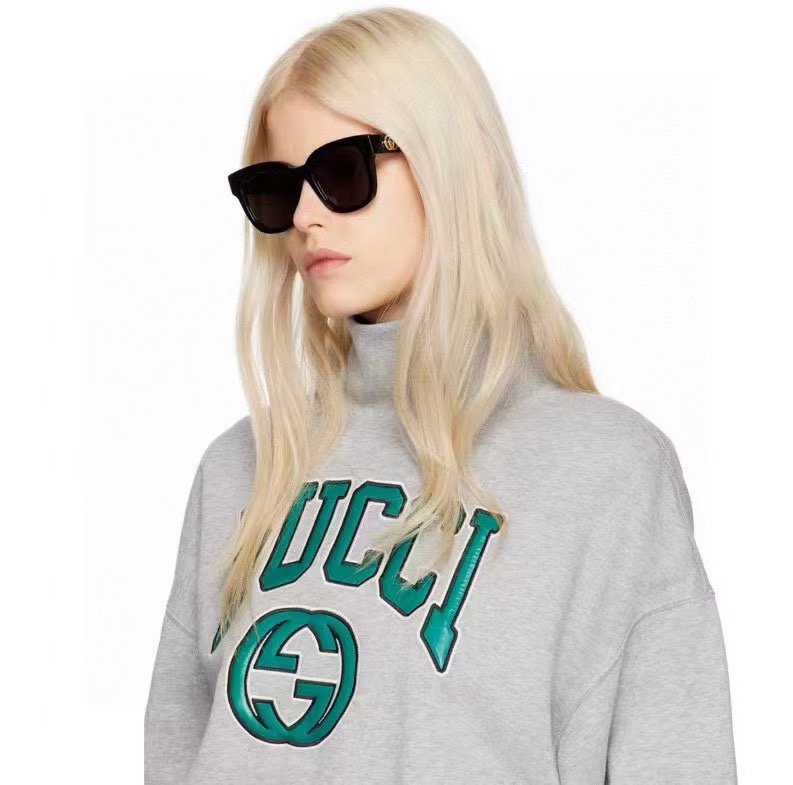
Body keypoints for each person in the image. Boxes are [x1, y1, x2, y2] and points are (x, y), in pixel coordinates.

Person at [144, 7, 737, 784]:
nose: (306, 217)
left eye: (341, 172)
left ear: (446, 164)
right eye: (278, 189)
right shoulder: (240, 466)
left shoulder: (607, 471)